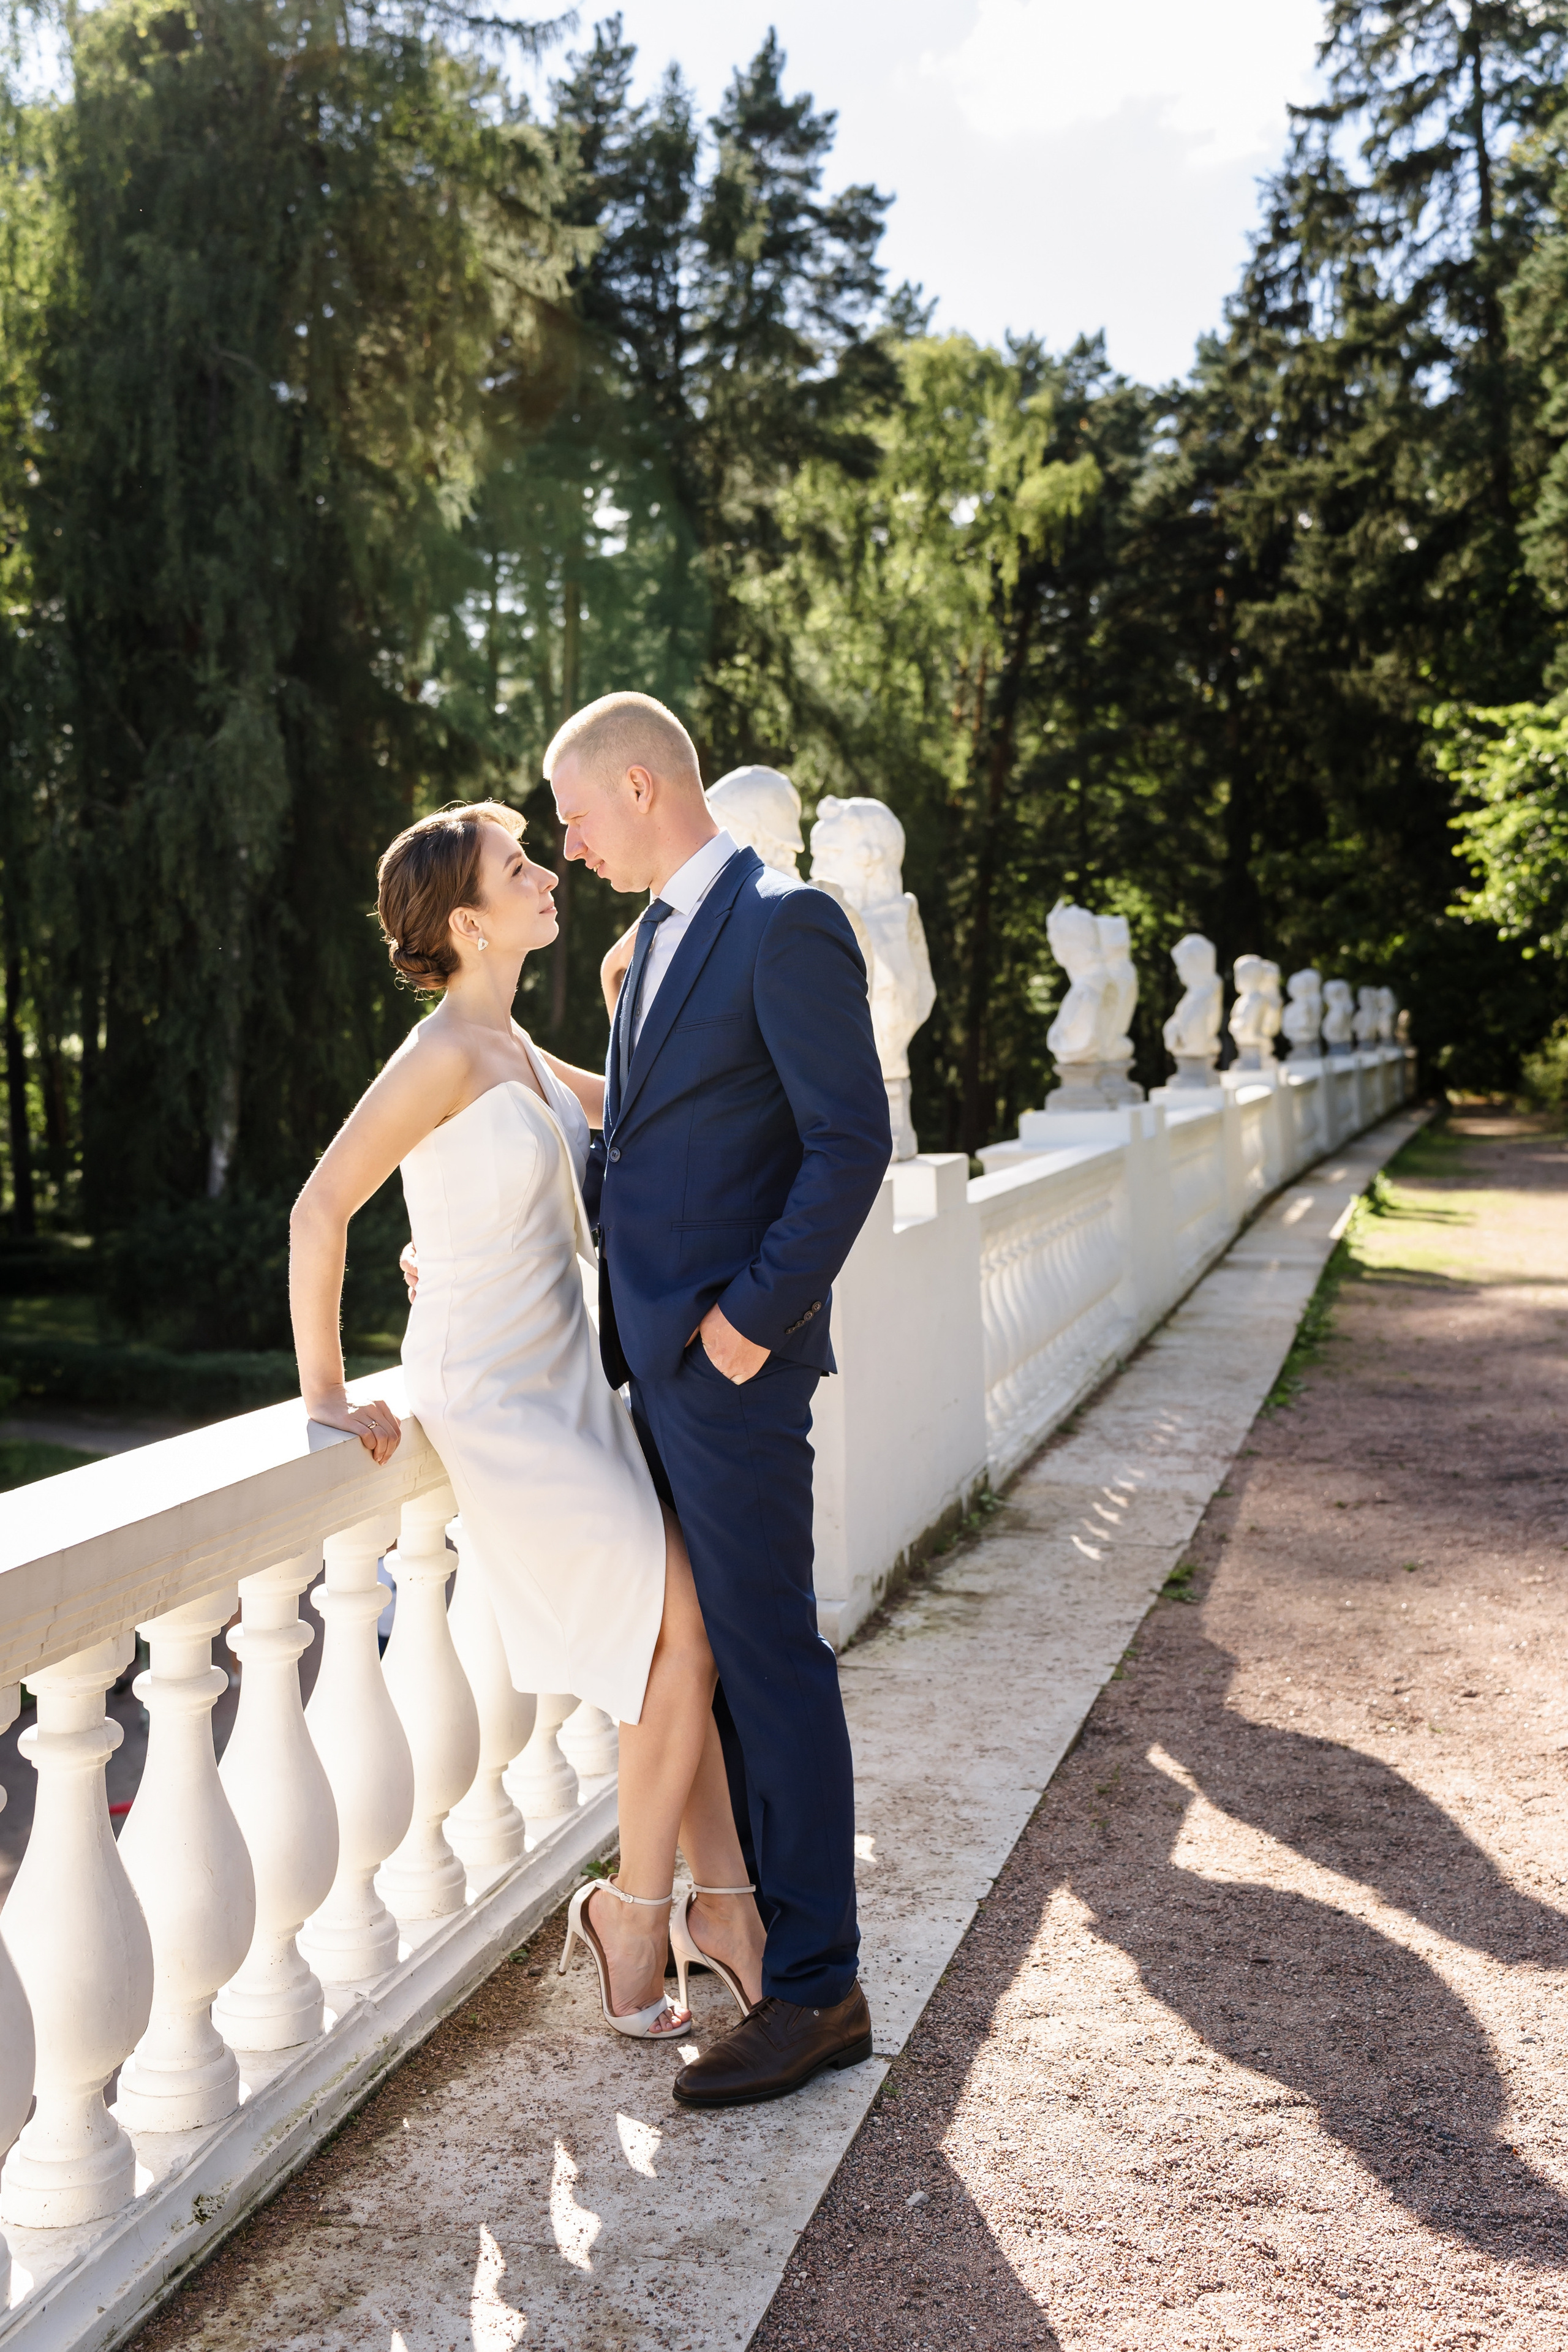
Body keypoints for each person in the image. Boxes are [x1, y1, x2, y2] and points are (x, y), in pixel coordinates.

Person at [288, 799, 761, 2043]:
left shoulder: (513, 1046)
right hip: (496, 1404)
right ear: (466, 920)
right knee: (685, 1636)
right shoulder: (441, 1052)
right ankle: (642, 1910)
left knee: (670, 1656)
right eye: (520, 866)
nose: (547, 872)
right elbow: (319, 1209)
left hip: (572, 1390)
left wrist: (640, 984)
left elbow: (645, 1117)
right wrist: (328, 1396)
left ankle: (722, 1916)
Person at [547, 691, 892, 2110]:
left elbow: (848, 1140)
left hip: (726, 1373)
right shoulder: (651, 950)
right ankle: (759, 1947)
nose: (564, 848)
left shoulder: (784, 919)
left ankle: (817, 1991)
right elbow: (646, 1150)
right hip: (650, 1370)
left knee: (770, 1657)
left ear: (639, 787)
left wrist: (750, 1326)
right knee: (717, 1659)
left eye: (570, 816)